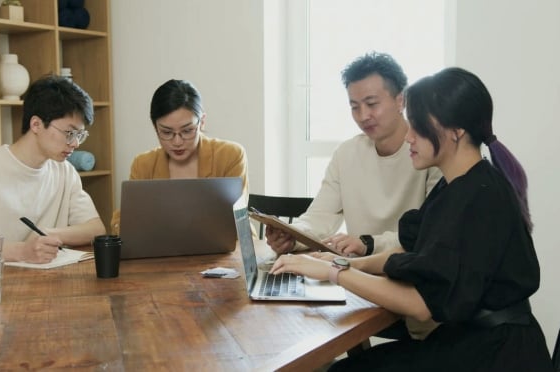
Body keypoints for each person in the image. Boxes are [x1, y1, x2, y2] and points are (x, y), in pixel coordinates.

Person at [269, 67, 553, 371]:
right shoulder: (459, 185)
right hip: (470, 340)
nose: (409, 137)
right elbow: (410, 250)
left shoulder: (479, 196)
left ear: (456, 130)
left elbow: (421, 304)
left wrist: (335, 272)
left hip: (495, 354)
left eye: (418, 127)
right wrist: (340, 262)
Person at [266, 52, 441, 340]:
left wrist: (366, 244)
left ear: (401, 100)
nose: (363, 116)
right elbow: (320, 216)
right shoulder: (347, 154)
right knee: (299, 329)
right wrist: (292, 236)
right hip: (358, 279)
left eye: (372, 104)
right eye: (354, 106)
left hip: (413, 288)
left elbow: (426, 237)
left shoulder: (429, 152)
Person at [0, 75, 106, 264]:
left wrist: (49, 233)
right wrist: (22, 251)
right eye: (70, 133)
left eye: (80, 135)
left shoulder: (65, 172)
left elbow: (96, 229)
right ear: (36, 124)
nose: (76, 143)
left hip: (52, 283)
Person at [110, 79, 248, 234]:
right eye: (167, 132)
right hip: (162, 251)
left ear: (202, 122)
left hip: (225, 253)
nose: (177, 142)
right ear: (155, 127)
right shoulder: (143, 164)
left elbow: (239, 222)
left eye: (187, 130)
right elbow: (122, 220)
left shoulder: (230, 156)